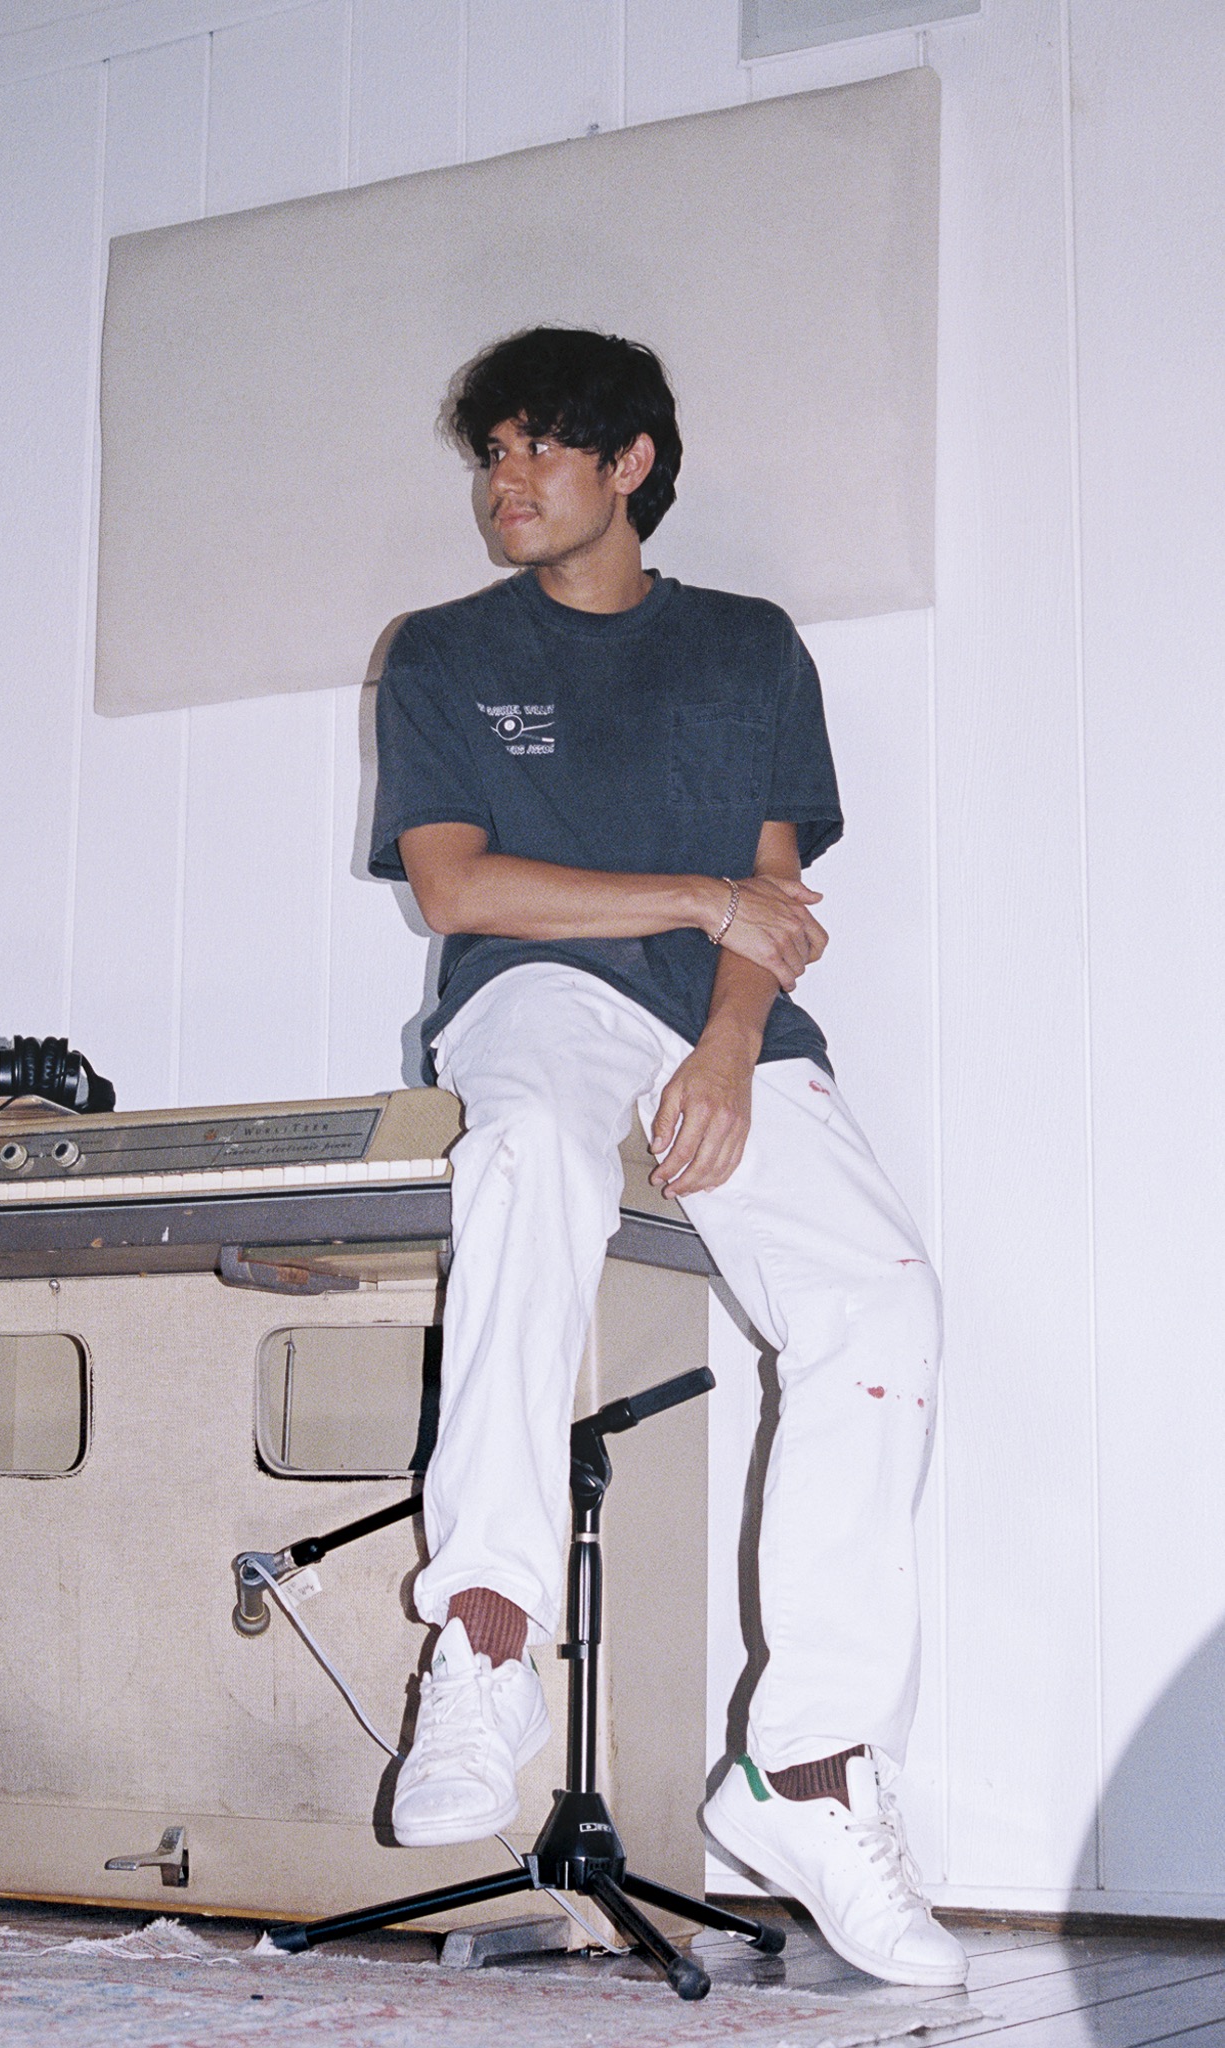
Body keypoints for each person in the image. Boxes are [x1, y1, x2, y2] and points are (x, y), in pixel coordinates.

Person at [367, 327, 964, 1990]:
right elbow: (460, 891)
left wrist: (725, 1046)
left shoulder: (748, 646)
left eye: (537, 449)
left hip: (720, 1014)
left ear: (629, 464)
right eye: (490, 456)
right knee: (528, 1158)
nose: (504, 482)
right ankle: (486, 1641)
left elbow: (773, 899)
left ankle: (809, 1775)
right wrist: (698, 901)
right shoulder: (443, 653)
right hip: (536, 992)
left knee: (884, 1306)